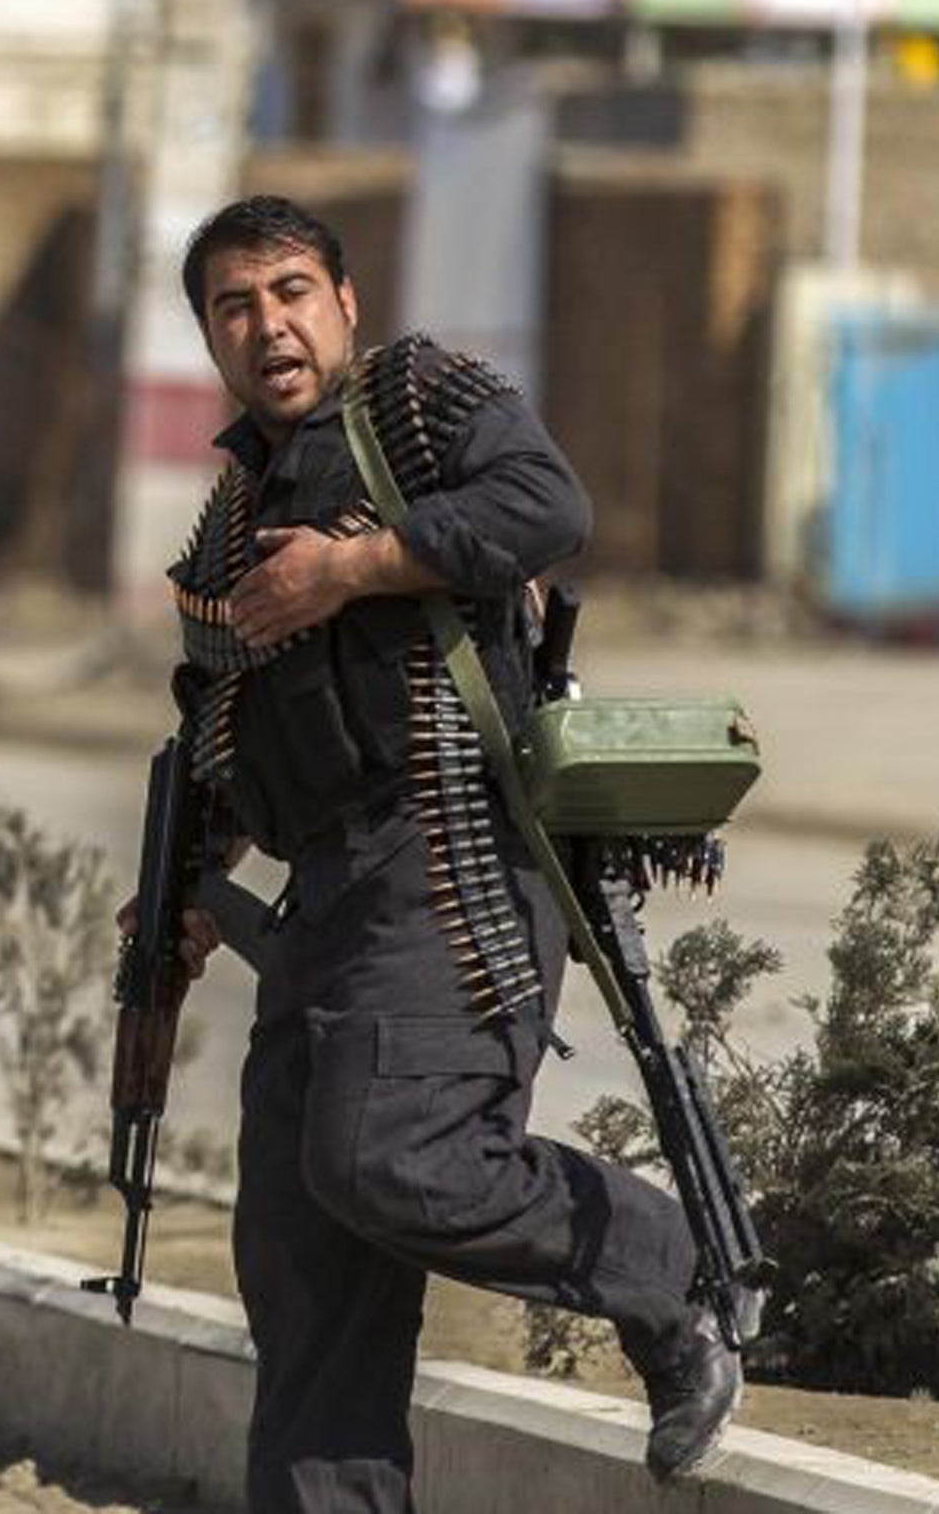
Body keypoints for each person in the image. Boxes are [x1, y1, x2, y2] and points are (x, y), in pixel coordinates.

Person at [157, 195, 741, 1514]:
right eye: (235, 307)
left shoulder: (416, 401)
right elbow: (225, 726)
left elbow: (548, 504)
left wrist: (353, 569)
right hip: (327, 899)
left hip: (457, 859)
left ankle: (670, 1273)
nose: (269, 326)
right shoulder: (226, 522)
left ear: (345, 303)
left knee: (389, 1155)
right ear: (208, 334)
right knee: (305, 1261)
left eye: (293, 290)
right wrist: (186, 881)